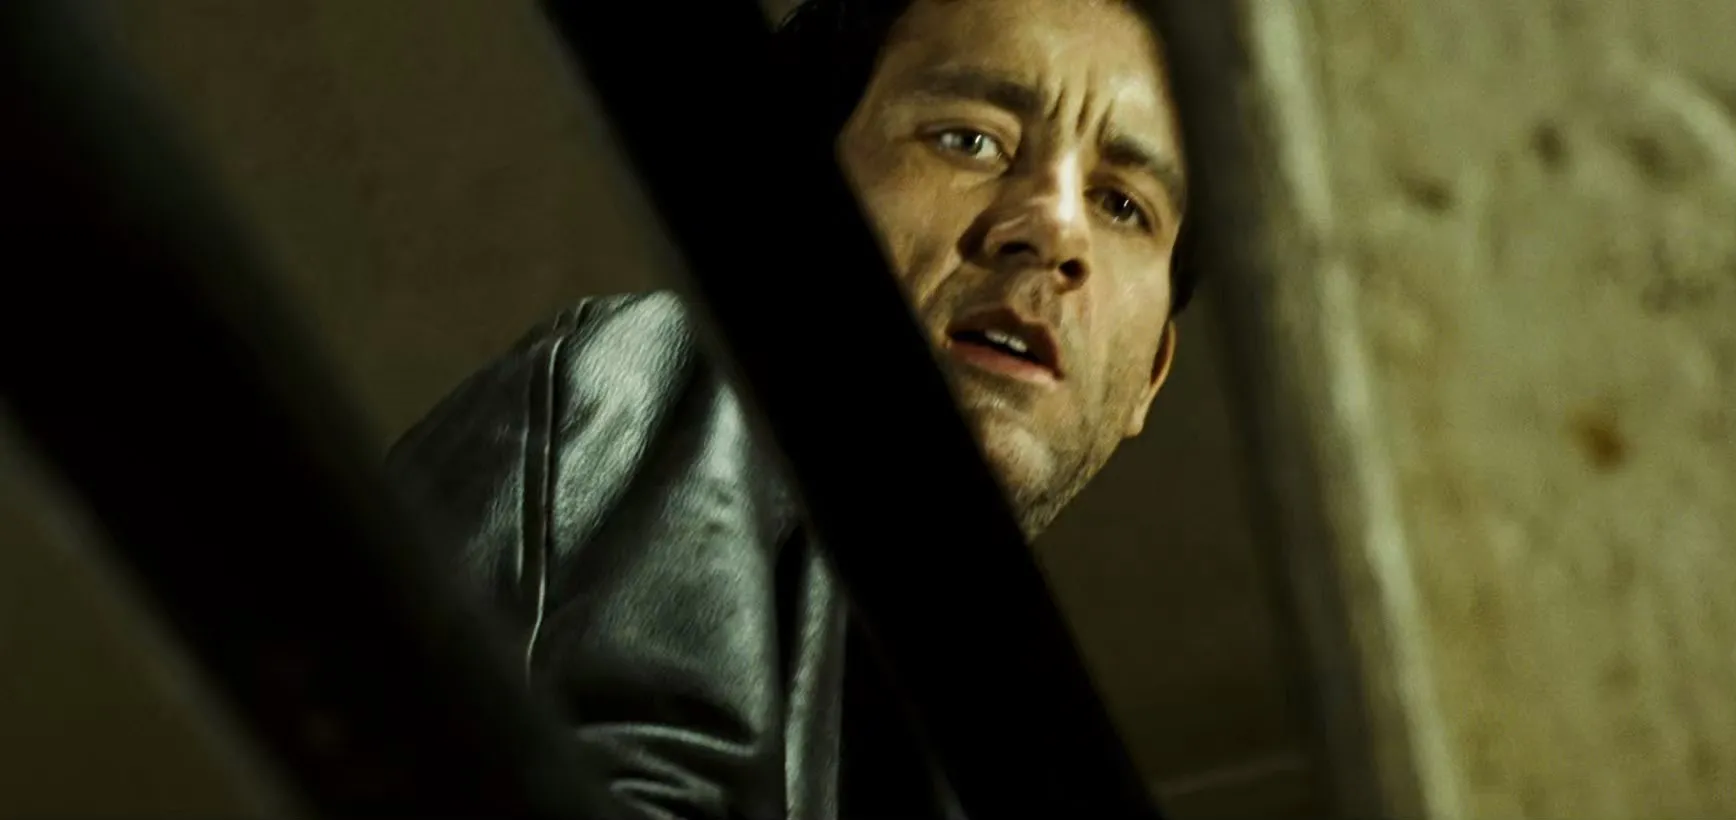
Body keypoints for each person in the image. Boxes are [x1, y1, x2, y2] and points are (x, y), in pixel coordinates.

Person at [386, 0, 1196, 817]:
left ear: (1152, 376)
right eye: (969, 140)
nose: (1054, 231)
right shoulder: (648, 381)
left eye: (1123, 205)